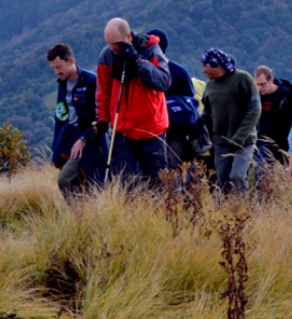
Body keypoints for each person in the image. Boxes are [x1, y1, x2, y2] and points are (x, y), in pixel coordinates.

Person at [96, 18, 171, 186]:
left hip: (152, 130)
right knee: (124, 183)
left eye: (116, 43)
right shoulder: (107, 56)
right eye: (109, 43)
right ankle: (127, 212)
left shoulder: (151, 49)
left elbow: (164, 82)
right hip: (122, 130)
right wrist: (102, 119)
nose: (113, 48)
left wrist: (137, 61)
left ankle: (157, 212)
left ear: (128, 36)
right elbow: (103, 92)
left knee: (157, 182)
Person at [47, 44, 105, 198]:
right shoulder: (62, 84)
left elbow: (100, 116)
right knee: (78, 182)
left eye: (59, 67)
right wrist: (55, 148)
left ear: (70, 61)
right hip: (68, 139)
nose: (56, 72)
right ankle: (82, 216)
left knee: (65, 179)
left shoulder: (91, 81)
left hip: (88, 141)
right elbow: (60, 116)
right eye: (53, 68)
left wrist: (84, 139)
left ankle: (79, 214)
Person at [199, 48, 260, 194]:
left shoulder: (242, 79)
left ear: (216, 65)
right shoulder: (209, 86)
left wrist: (239, 136)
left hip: (244, 142)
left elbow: (255, 110)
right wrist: (197, 127)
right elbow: (207, 114)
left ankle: (241, 210)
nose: (203, 71)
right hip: (220, 143)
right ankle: (226, 212)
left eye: (205, 66)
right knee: (222, 180)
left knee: (237, 177)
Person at [145, 29, 204, 168]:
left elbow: (191, 101)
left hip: (177, 134)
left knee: (178, 171)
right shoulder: (177, 71)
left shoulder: (178, 72)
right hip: (152, 131)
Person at [253, 65, 292, 173]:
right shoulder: (258, 97)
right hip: (266, 143)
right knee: (260, 177)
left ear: (271, 81)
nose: (259, 88)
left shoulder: (286, 97)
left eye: (262, 84)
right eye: (257, 84)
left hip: (286, 144)